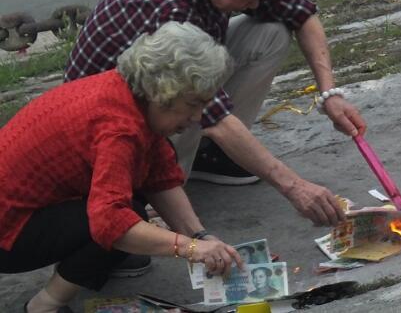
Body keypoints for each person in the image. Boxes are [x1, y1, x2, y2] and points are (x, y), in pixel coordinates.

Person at [65, 0, 365, 231]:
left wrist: (330, 94)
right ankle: (154, 189)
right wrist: (294, 186)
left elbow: (302, 14)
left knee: (272, 32)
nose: (257, 2)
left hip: (173, 85)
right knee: (188, 102)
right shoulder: (168, 6)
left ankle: (217, 158)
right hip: (106, 121)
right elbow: (213, 115)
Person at [0, 22, 246, 313]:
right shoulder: (119, 128)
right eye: (192, 103)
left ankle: (100, 260)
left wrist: (200, 237)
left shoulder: (130, 94)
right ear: (162, 92)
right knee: (126, 218)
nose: (198, 116)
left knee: (131, 208)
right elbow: (110, 222)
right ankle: (45, 305)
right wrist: (189, 248)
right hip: (8, 233)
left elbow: (160, 179)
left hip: (26, 210)